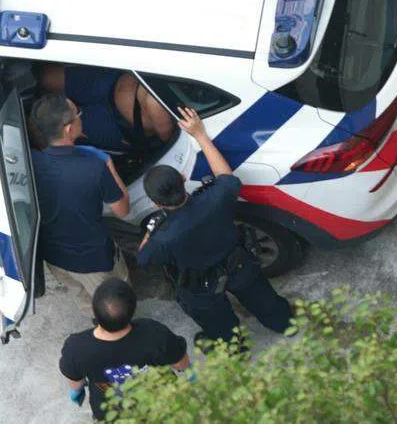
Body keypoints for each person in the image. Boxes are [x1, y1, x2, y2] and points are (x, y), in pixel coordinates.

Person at [137, 106, 292, 345]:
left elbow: (143, 259)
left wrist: (152, 229)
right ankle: (285, 324)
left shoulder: (162, 239)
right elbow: (226, 177)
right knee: (265, 301)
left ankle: (234, 347)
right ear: (183, 180)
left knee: (218, 323)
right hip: (239, 264)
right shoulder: (215, 199)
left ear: (156, 203)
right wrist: (200, 135)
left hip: (200, 286)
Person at [29, 94, 131, 296]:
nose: (81, 117)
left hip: (55, 259)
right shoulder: (95, 168)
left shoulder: (30, 161)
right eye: (78, 115)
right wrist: (108, 163)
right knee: (117, 302)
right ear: (69, 129)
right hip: (95, 263)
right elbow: (123, 210)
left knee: (83, 300)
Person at [59, 278, 190, 420]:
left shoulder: (76, 347)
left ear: (95, 311)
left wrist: (76, 391)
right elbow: (179, 362)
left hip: (113, 412)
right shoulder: (153, 333)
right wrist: (189, 371)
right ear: (133, 309)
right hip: (160, 401)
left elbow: (75, 381)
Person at [37, 64, 175, 152]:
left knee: (49, 129)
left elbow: (168, 139)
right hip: (111, 81)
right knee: (47, 77)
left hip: (116, 124)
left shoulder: (159, 105)